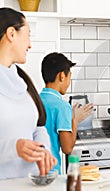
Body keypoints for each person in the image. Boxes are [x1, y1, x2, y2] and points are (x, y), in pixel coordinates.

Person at [0, 7, 57, 179]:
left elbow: (37, 128)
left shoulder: (22, 81)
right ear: (11, 33)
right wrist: (14, 148)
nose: (30, 44)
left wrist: (42, 149)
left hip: (28, 186)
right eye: (28, 35)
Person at [40, 52, 94, 174]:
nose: (69, 82)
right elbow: (67, 148)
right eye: (69, 77)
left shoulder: (35, 100)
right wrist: (74, 119)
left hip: (33, 171)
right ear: (61, 76)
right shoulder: (62, 106)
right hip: (51, 173)